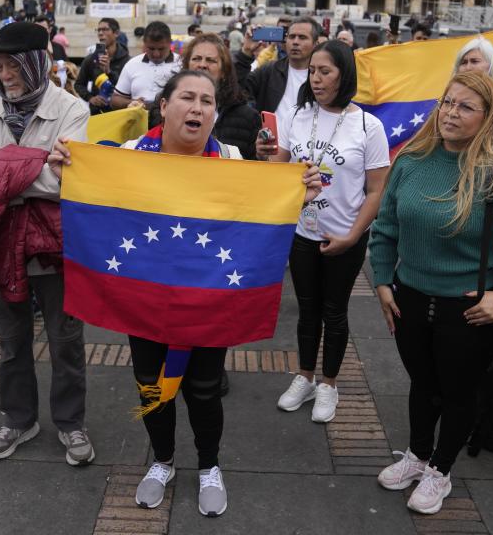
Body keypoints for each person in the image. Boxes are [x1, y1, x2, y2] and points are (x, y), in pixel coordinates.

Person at [51, 69, 320, 516]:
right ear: (164, 106)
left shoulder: (233, 159)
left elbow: (260, 215)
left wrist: (298, 197)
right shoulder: (133, 154)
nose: (198, 108)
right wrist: (68, 168)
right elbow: (95, 196)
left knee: (203, 389)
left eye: (208, 101)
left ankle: (209, 466)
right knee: (150, 385)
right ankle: (162, 461)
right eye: (188, 98)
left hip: (209, 301)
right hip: (145, 299)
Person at [370, 71, 493, 515]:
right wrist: (381, 281)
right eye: (447, 102)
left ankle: (440, 469)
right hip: (409, 299)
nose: (451, 113)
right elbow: (386, 228)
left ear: (488, 116)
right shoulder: (411, 161)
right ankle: (417, 456)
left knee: (459, 392)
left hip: (470, 308)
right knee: (422, 384)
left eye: (465, 106)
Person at [0, 21, 95, 465]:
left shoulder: (73, 110)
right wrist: (31, 168)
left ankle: (71, 424)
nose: (5, 75)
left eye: (13, 65)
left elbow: (69, 181)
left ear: (37, 63)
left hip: (54, 249)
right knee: (11, 342)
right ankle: (18, 419)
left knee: (65, 341)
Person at [258, 40, 390, 423]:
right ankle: (305, 376)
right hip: (303, 232)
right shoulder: (299, 116)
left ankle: (329, 384)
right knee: (307, 310)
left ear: (344, 74)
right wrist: (265, 154)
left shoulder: (368, 125)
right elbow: (277, 173)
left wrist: (352, 236)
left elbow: (377, 190)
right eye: (312, 71)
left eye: (325, 71)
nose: (316, 79)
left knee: (334, 311)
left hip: (345, 236)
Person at [181, 32, 260, 160]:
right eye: (196, 59)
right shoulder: (167, 108)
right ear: (186, 65)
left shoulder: (247, 118)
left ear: (224, 71)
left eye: (210, 60)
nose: (202, 65)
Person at [235, 17, 320, 123]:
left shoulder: (322, 76)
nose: (295, 42)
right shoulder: (269, 71)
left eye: (302, 37)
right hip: (269, 138)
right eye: (292, 37)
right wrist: (245, 53)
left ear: (316, 44)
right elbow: (237, 87)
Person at [111, 21, 181, 120]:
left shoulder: (181, 65)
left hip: (172, 126)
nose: (156, 54)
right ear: (144, 43)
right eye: (151, 49)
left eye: (161, 49)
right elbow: (115, 99)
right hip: (138, 128)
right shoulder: (132, 64)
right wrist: (131, 103)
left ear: (170, 43)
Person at [75, 18, 130, 113]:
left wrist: (109, 72)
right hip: (96, 113)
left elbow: (127, 90)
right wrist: (91, 98)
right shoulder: (90, 59)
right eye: (98, 30)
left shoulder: (128, 61)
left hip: (119, 114)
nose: (100, 33)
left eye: (105, 29)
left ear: (116, 33)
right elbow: (79, 85)